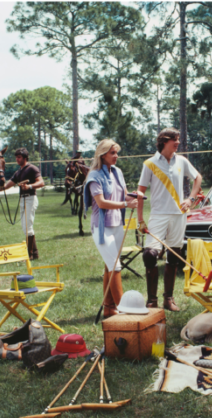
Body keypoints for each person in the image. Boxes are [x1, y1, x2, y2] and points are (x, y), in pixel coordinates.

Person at [137, 128, 203, 312]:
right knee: (149, 255)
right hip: (158, 215)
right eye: (175, 139)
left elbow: (198, 177)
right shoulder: (149, 163)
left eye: (179, 139)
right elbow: (140, 191)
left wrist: (190, 198)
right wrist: (140, 219)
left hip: (178, 215)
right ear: (164, 141)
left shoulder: (181, 160)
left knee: (173, 256)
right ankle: (151, 300)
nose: (178, 142)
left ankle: (169, 299)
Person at [83, 140, 138, 318]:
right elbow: (101, 203)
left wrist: (135, 196)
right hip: (101, 227)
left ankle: (108, 308)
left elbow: (124, 193)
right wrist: (125, 204)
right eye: (112, 153)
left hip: (117, 224)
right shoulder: (94, 176)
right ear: (102, 154)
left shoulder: (118, 172)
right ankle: (124, 309)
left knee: (109, 265)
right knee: (115, 266)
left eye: (116, 153)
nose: (116, 156)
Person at [1, 148, 44, 260]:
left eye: (19, 157)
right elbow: (7, 185)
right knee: (25, 227)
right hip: (22, 200)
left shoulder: (32, 168)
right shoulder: (18, 172)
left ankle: (29, 254)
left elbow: (41, 182)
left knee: (28, 226)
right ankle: (34, 253)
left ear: (25, 158)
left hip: (30, 198)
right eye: (16, 157)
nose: (17, 159)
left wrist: (29, 186)